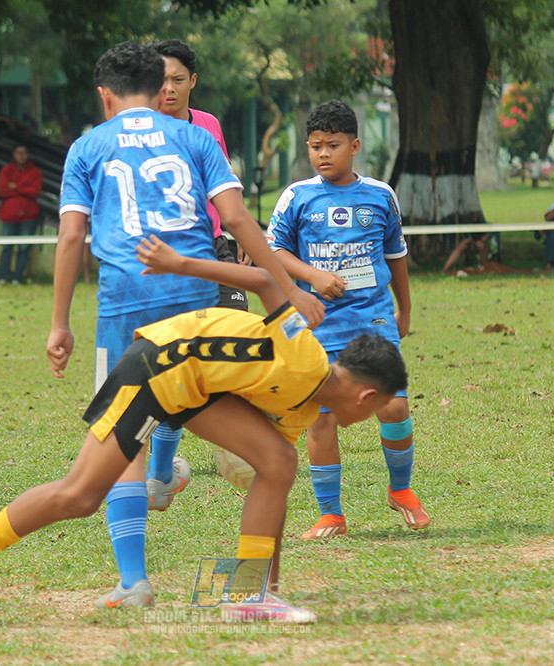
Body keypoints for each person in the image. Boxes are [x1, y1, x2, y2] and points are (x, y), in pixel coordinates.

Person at [0, 234, 406, 628]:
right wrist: (181, 262)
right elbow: (263, 278)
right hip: (154, 370)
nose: (377, 414)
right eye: (382, 406)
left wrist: (247, 461)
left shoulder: (304, 408)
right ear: (365, 397)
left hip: (192, 393)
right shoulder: (303, 356)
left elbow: (271, 479)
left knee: (279, 463)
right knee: (80, 496)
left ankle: (251, 595)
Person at [50, 41, 323, 610]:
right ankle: (255, 588)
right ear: (160, 89)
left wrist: (59, 324)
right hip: (197, 306)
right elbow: (240, 220)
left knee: (120, 445)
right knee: (266, 449)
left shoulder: (86, 147)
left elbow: (73, 237)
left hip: (123, 311)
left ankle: (134, 581)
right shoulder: (197, 137)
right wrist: (290, 287)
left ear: (105, 96)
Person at [266, 99, 429, 540]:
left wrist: (405, 308)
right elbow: (274, 251)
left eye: (333, 145)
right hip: (318, 322)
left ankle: (402, 490)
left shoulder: (380, 195)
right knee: (322, 416)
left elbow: (396, 256)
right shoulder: (296, 197)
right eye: (315, 146)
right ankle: (331, 513)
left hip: (372, 316)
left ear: (354, 146)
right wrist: (311, 276)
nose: (323, 154)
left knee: (393, 402)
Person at [146, 39, 249, 506]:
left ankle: (239, 447)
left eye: (178, 79)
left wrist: (242, 236)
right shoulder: (135, 131)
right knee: (177, 364)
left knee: (239, 343)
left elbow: (221, 188)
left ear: (193, 81)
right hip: (163, 259)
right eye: (160, 80)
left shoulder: (208, 125)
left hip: (216, 250)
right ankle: (160, 471)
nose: (168, 89)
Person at [0, 145, 43, 284]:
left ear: (28, 155)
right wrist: (25, 188)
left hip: (29, 215)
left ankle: (18, 278)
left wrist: (16, 186)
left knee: (24, 248)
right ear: (14, 154)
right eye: (18, 153)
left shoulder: (35, 172)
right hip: (9, 215)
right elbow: (3, 191)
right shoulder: (6, 170)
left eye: (24, 153)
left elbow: (35, 192)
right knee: (6, 246)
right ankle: (3, 277)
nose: (21, 156)